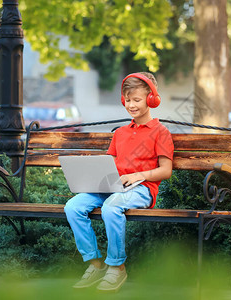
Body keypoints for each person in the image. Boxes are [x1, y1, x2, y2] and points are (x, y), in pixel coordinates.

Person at [64, 72, 174, 292]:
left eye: (137, 100)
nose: (131, 105)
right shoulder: (120, 134)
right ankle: (95, 265)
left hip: (142, 189)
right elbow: (111, 164)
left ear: (151, 99)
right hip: (113, 187)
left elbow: (166, 170)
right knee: (73, 206)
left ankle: (117, 267)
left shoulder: (161, 132)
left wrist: (139, 175)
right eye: (128, 100)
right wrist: (93, 176)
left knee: (112, 206)